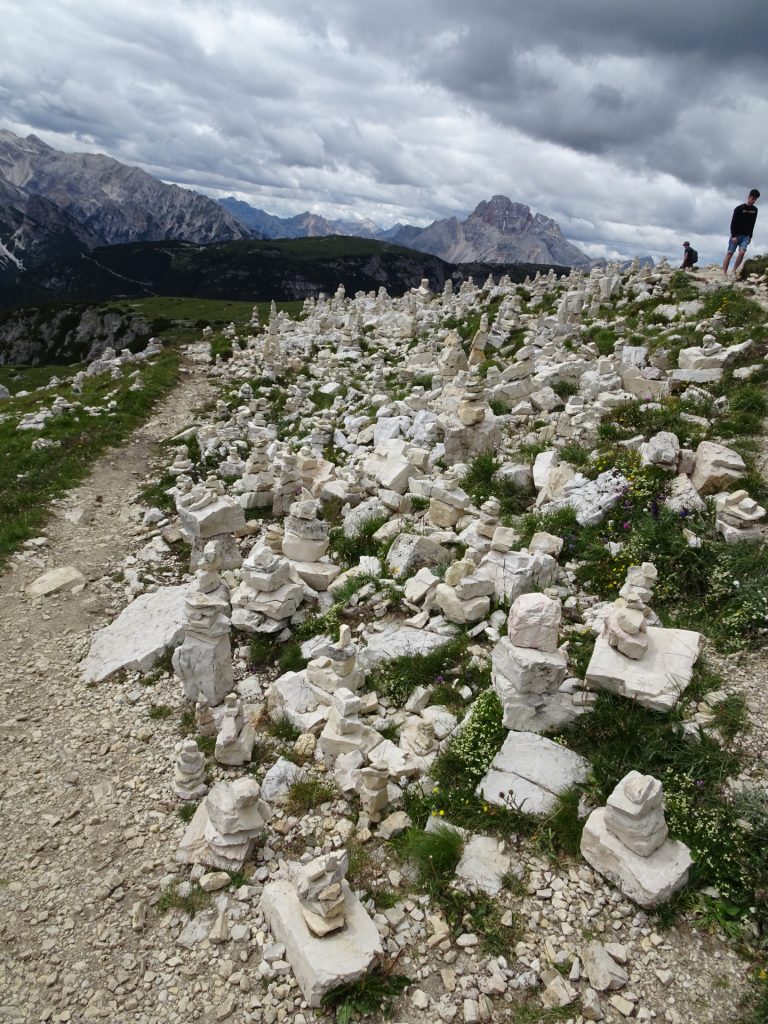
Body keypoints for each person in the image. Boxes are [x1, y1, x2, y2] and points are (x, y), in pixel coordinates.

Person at [722, 189, 760, 275]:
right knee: (730, 253)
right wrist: (734, 235)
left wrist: (750, 236)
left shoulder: (755, 210)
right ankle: (724, 272)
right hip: (736, 235)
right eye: (753, 198)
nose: (754, 201)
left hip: (746, 236)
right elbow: (733, 223)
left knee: (742, 252)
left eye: (755, 199)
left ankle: (734, 270)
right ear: (749, 197)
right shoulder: (739, 209)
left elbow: (753, 223)